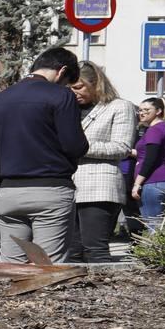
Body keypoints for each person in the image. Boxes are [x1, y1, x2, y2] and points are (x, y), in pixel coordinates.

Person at [0, 47, 89, 263]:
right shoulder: (61, 95)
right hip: (50, 189)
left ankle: (8, 298)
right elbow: (74, 145)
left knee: (11, 265)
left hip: (8, 191)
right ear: (62, 71)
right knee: (48, 266)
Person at [67, 62, 135, 262]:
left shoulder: (120, 107)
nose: (74, 93)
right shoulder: (68, 108)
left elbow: (122, 147)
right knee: (70, 252)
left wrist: (80, 147)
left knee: (95, 249)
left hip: (100, 186)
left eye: (78, 87)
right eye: (69, 89)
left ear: (95, 83)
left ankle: (105, 291)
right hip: (68, 186)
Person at [131, 97, 165, 232]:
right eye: (140, 110)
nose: (142, 113)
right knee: (162, 226)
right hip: (163, 181)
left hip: (154, 182)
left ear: (158, 111)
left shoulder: (154, 130)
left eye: (147, 110)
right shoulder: (164, 127)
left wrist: (137, 183)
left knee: (155, 227)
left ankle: (159, 253)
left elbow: (150, 159)